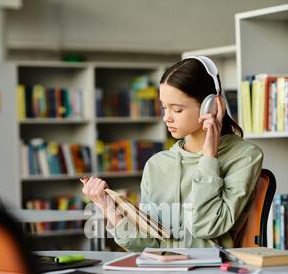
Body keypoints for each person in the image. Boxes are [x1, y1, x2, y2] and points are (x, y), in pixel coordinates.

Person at [81, 56, 263, 251]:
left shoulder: (245, 156)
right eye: (163, 108)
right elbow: (148, 246)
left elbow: (206, 226)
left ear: (211, 106)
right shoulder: (156, 165)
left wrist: (209, 157)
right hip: (162, 270)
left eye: (177, 109)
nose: (166, 118)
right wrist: (107, 207)